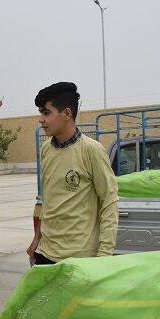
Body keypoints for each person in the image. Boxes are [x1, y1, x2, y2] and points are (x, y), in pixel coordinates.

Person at [26, 82, 119, 265]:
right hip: (46, 252)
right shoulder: (46, 148)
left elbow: (109, 201)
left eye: (46, 113)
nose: (41, 119)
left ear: (67, 113)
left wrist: (104, 256)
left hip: (80, 258)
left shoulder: (91, 150)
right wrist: (37, 238)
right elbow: (48, 200)